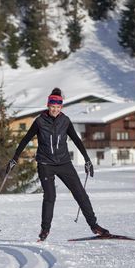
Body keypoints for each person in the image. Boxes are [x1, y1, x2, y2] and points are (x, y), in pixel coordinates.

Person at [6, 88, 109, 241]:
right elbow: (26, 139)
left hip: (64, 163)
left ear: (61, 107)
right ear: (48, 106)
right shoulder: (40, 121)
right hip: (45, 163)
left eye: (58, 107)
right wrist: (14, 158)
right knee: (50, 196)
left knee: (80, 193)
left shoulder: (65, 121)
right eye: (52, 106)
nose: (55, 109)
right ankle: (45, 230)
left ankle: (94, 225)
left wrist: (87, 159)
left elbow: (76, 140)